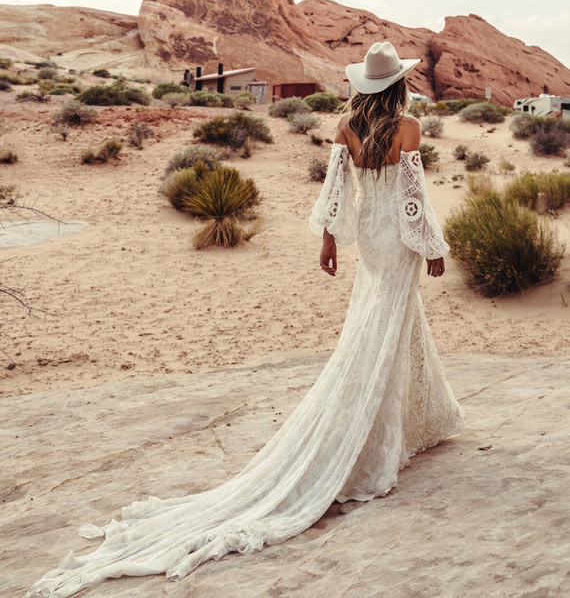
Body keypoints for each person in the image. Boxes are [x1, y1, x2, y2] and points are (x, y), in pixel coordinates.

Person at [28, 42, 465, 598]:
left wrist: (329, 241)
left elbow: (335, 193)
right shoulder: (407, 128)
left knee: (386, 322)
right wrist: (430, 245)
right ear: (399, 85)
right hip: (396, 240)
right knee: (383, 330)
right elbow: (414, 197)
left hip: (373, 244)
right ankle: (371, 443)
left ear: (364, 87)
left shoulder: (344, 127)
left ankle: (419, 419)